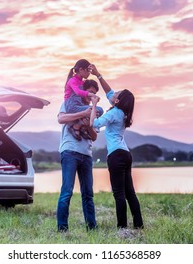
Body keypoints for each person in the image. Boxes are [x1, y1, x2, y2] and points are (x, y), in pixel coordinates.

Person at [89, 65, 144, 229]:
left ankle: (122, 228)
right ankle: (138, 225)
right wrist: (98, 75)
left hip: (116, 156)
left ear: (118, 100)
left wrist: (93, 105)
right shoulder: (123, 112)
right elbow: (108, 92)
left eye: (117, 94)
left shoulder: (113, 113)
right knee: (130, 193)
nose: (114, 94)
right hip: (126, 154)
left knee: (119, 194)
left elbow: (94, 124)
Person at [56, 79, 100, 232]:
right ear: (84, 89)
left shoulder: (93, 110)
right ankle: (62, 229)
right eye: (90, 92)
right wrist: (82, 114)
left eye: (94, 93)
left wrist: (88, 125)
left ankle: (92, 228)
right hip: (70, 152)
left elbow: (94, 137)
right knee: (67, 191)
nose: (91, 95)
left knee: (88, 194)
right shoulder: (69, 104)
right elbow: (61, 119)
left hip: (86, 155)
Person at [64, 59, 103, 140]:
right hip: (71, 106)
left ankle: (82, 127)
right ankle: (77, 126)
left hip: (79, 105)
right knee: (98, 110)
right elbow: (78, 92)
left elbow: (88, 87)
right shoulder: (72, 80)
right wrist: (91, 94)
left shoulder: (82, 82)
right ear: (81, 69)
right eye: (88, 71)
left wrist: (96, 72)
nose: (89, 73)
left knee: (98, 111)